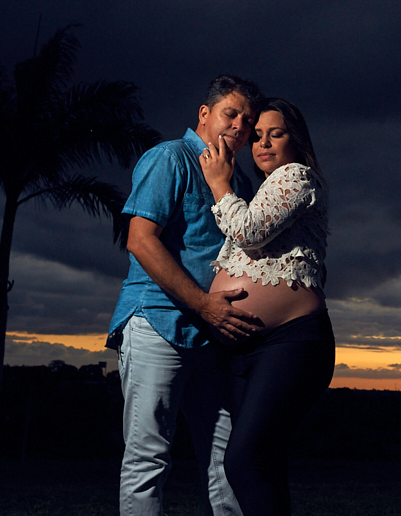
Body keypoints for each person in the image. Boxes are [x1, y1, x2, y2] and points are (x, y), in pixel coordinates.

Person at [108, 74, 264, 516]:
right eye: (230, 113)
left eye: (247, 120)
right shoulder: (169, 158)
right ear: (205, 114)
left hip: (215, 337)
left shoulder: (242, 183)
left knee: (226, 461)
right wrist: (202, 305)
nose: (239, 125)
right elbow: (140, 240)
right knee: (148, 456)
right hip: (158, 324)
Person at [199, 97, 334, 516]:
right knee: (264, 463)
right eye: (256, 136)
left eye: (275, 134)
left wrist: (220, 183)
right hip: (247, 347)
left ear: (296, 139)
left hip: (291, 341)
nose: (263, 143)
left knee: (243, 461)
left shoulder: (297, 177)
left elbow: (250, 231)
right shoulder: (263, 189)